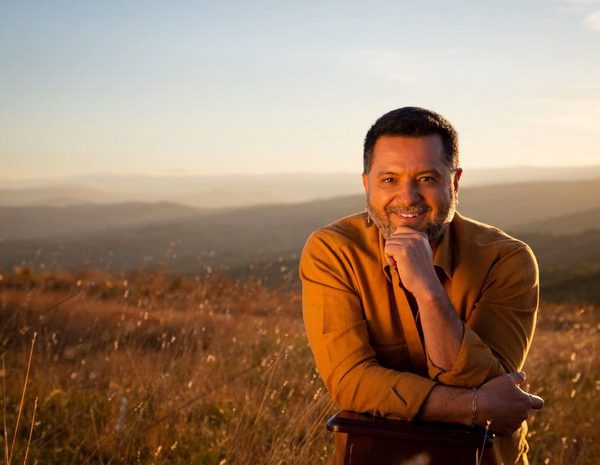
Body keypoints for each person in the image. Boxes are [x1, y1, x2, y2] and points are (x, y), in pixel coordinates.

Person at [299, 107, 544, 465]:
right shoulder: (334, 251)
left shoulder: (507, 260)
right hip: (373, 457)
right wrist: (475, 406)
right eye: (389, 180)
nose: (408, 197)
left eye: (427, 178)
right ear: (366, 185)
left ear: (454, 182)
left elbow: (490, 382)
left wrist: (428, 289)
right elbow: (351, 383)